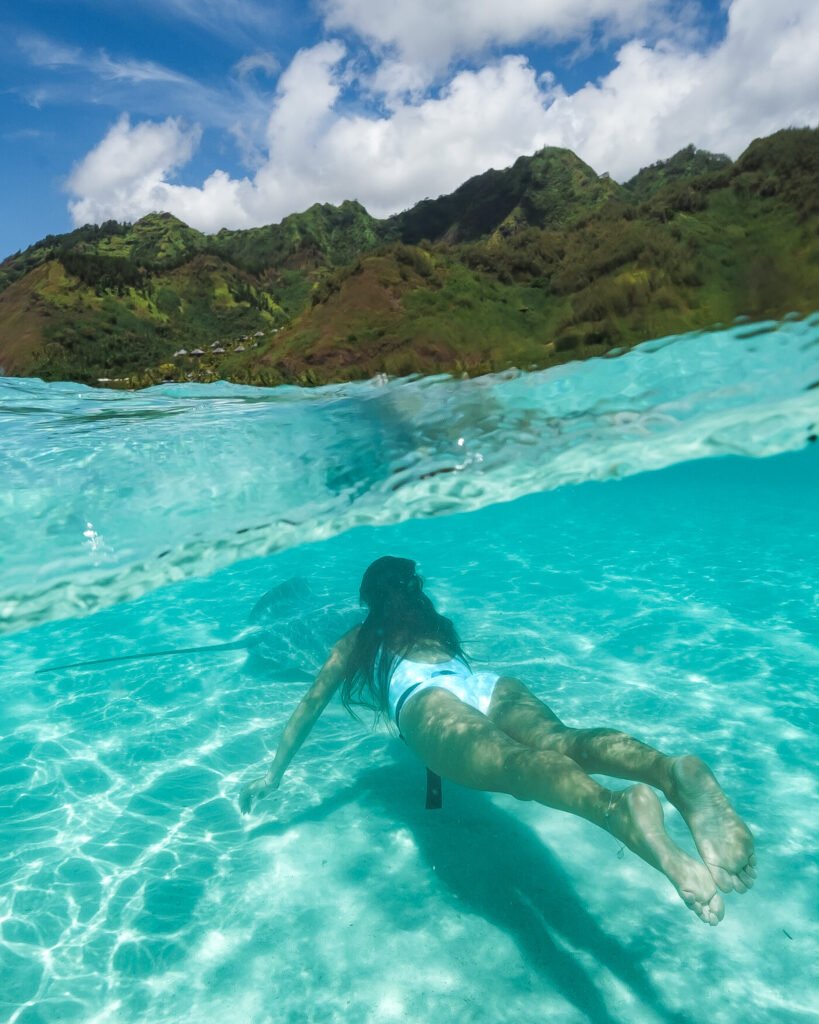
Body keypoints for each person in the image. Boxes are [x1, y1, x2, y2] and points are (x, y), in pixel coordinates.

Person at [239, 556, 756, 925]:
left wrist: (273, 773)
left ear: (368, 602)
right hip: (489, 686)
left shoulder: (359, 639)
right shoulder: (439, 626)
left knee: (517, 766)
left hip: (426, 703)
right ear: (414, 592)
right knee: (564, 739)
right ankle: (667, 770)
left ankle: (614, 810)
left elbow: (308, 708)